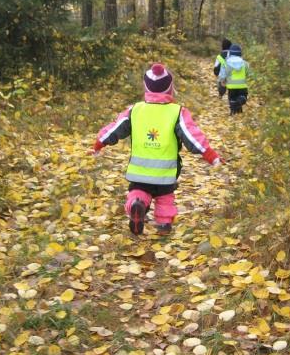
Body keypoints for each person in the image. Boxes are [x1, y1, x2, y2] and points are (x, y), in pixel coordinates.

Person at [91, 63, 222, 236]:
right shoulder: (177, 112)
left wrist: (98, 144)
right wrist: (211, 155)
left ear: (146, 87)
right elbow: (192, 136)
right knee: (165, 197)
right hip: (165, 174)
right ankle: (164, 225)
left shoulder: (135, 110)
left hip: (139, 172)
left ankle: (136, 205)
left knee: (138, 191)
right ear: (170, 88)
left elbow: (115, 129)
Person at [218, 43, 250, 115]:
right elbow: (247, 73)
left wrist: (222, 81)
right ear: (240, 53)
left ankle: (233, 111)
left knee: (232, 99)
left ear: (230, 53)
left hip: (231, 86)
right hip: (242, 86)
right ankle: (240, 101)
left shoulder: (226, 63)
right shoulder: (245, 63)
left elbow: (223, 74)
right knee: (243, 97)